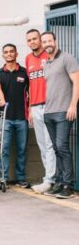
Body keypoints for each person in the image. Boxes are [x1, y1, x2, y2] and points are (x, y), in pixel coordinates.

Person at [41, 31, 79, 199]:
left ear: (55, 41)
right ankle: (59, 182)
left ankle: (68, 185)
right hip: (49, 112)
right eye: (44, 42)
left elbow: (77, 82)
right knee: (56, 148)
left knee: (62, 147)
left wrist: (73, 105)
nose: (47, 44)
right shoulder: (47, 63)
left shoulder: (67, 58)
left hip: (64, 111)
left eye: (49, 40)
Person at [25, 29, 56, 194]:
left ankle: (50, 180)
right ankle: (49, 177)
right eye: (29, 40)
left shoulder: (50, 56)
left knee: (51, 144)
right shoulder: (28, 58)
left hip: (50, 105)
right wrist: (29, 108)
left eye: (34, 39)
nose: (32, 42)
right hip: (35, 106)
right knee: (42, 145)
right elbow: (30, 85)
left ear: (40, 40)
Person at [0, 44, 30, 189]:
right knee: (4, 150)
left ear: (16, 54)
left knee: (22, 149)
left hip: (22, 117)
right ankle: (3, 178)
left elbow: (31, 92)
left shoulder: (24, 72)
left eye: (11, 52)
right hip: (6, 118)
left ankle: (21, 178)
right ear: (3, 55)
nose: (9, 54)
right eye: (6, 52)